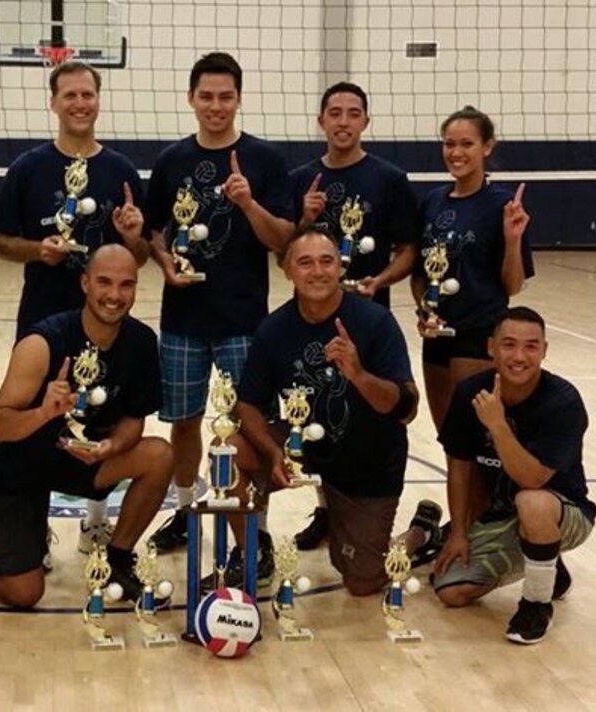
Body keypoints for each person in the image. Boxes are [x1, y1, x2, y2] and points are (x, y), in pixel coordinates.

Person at [0, 245, 172, 608]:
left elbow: (133, 421)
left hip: (75, 460)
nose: (114, 295)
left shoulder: (141, 342)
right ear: (84, 283)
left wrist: (110, 448)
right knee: (24, 593)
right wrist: (43, 413)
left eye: (125, 285)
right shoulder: (42, 343)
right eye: (104, 282)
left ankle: (115, 562)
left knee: (159, 455)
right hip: (12, 466)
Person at [0, 60, 148, 554]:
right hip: (44, 314)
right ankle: (32, 523)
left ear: (99, 101)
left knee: (103, 410)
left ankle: (96, 519)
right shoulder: (28, 168)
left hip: (106, 319)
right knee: (40, 413)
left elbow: (140, 257)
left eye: (88, 95)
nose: (80, 103)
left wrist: (133, 237)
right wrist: (39, 250)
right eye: (70, 95)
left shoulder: (120, 170)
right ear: (53, 102)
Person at [145, 52, 294, 569]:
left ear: (238, 99)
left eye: (225, 96)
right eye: (206, 96)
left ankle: (259, 531)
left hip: (244, 319)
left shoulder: (266, 161)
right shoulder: (170, 161)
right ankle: (187, 514)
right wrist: (164, 262)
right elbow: (154, 231)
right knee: (183, 423)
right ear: (191, 98)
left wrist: (249, 204)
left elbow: (285, 241)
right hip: (182, 318)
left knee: (247, 427)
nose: (215, 106)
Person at [219, 227, 419, 595]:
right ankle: (254, 550)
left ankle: (420, 533)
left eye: (327, 261)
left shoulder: (374, 322)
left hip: (367, 462)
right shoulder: (273, 329)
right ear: (287, 271)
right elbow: (247, 404)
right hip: (304, 450)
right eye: (305, 262)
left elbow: (407, 409)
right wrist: (273, 451)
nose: (317, 271)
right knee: (227, 455)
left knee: (363, 581)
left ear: (341, 267)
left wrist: (358, 375)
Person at [288, 81, 421, 550]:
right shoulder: (302, 178)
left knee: (366, 415)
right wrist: (303, 218)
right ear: (321, 120)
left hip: (367, 317)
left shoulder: (388, 179)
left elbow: (409, 250)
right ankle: (326, 510)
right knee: (321, 411)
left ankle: (365, 509)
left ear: (366, 120)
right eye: (335, 112)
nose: (343, 121)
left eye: (353, 112)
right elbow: (287, 249)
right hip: (311, 317)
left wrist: (379, 281)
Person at [431, 306, 596, 644]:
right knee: (451, 591)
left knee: (531, 502)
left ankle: (536, 604)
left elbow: (532, 479)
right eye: (508, 345)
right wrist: (459, 531)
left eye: (531, 346)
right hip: (503, 515)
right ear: (491, 347)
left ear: (544, 351)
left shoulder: (562, 402)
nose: (519, 356)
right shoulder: (469, 394)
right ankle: (551, 569)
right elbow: (459, 466)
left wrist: (498, 425)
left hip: (565, 513)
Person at [414, 106, 533, 432]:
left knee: (472, 439)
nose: (456, 152)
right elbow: (421, 274)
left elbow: (512, 285)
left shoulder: (502, 205)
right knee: (447, 437)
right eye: (449, 144)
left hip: (479, 333)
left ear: (487, 147)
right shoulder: (431, 202)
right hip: (437, 336)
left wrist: (512, 240)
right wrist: (425, 309)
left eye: (466, 144)